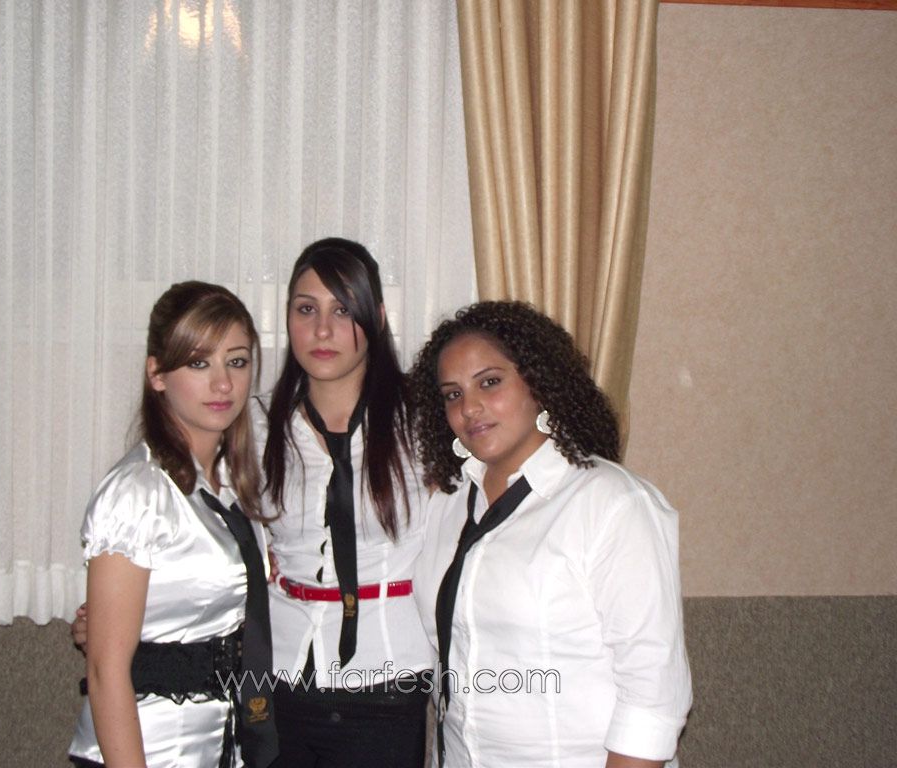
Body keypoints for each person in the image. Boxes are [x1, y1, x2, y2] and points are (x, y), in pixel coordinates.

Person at [407, 301, 692, 768]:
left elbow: (653, 697)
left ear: (539, 384)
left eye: (489, 382)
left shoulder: (611, 504)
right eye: (453, 394)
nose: (469, 408)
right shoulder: (448, 505)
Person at [68, 282, 278, 768]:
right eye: (199, 363)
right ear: (157, 374)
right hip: (152, 752)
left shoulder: (230, 483)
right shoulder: (137, 492)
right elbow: (105, 670)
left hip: (221, 745)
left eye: (237, 361)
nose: (223, 384)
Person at [257, 237, 434, 767]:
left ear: (375, 317)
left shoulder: (425, 423)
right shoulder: (254, 425)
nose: (322, 329)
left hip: (388, 683)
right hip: (280, 681)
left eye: (342, 310)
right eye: (306, 309)